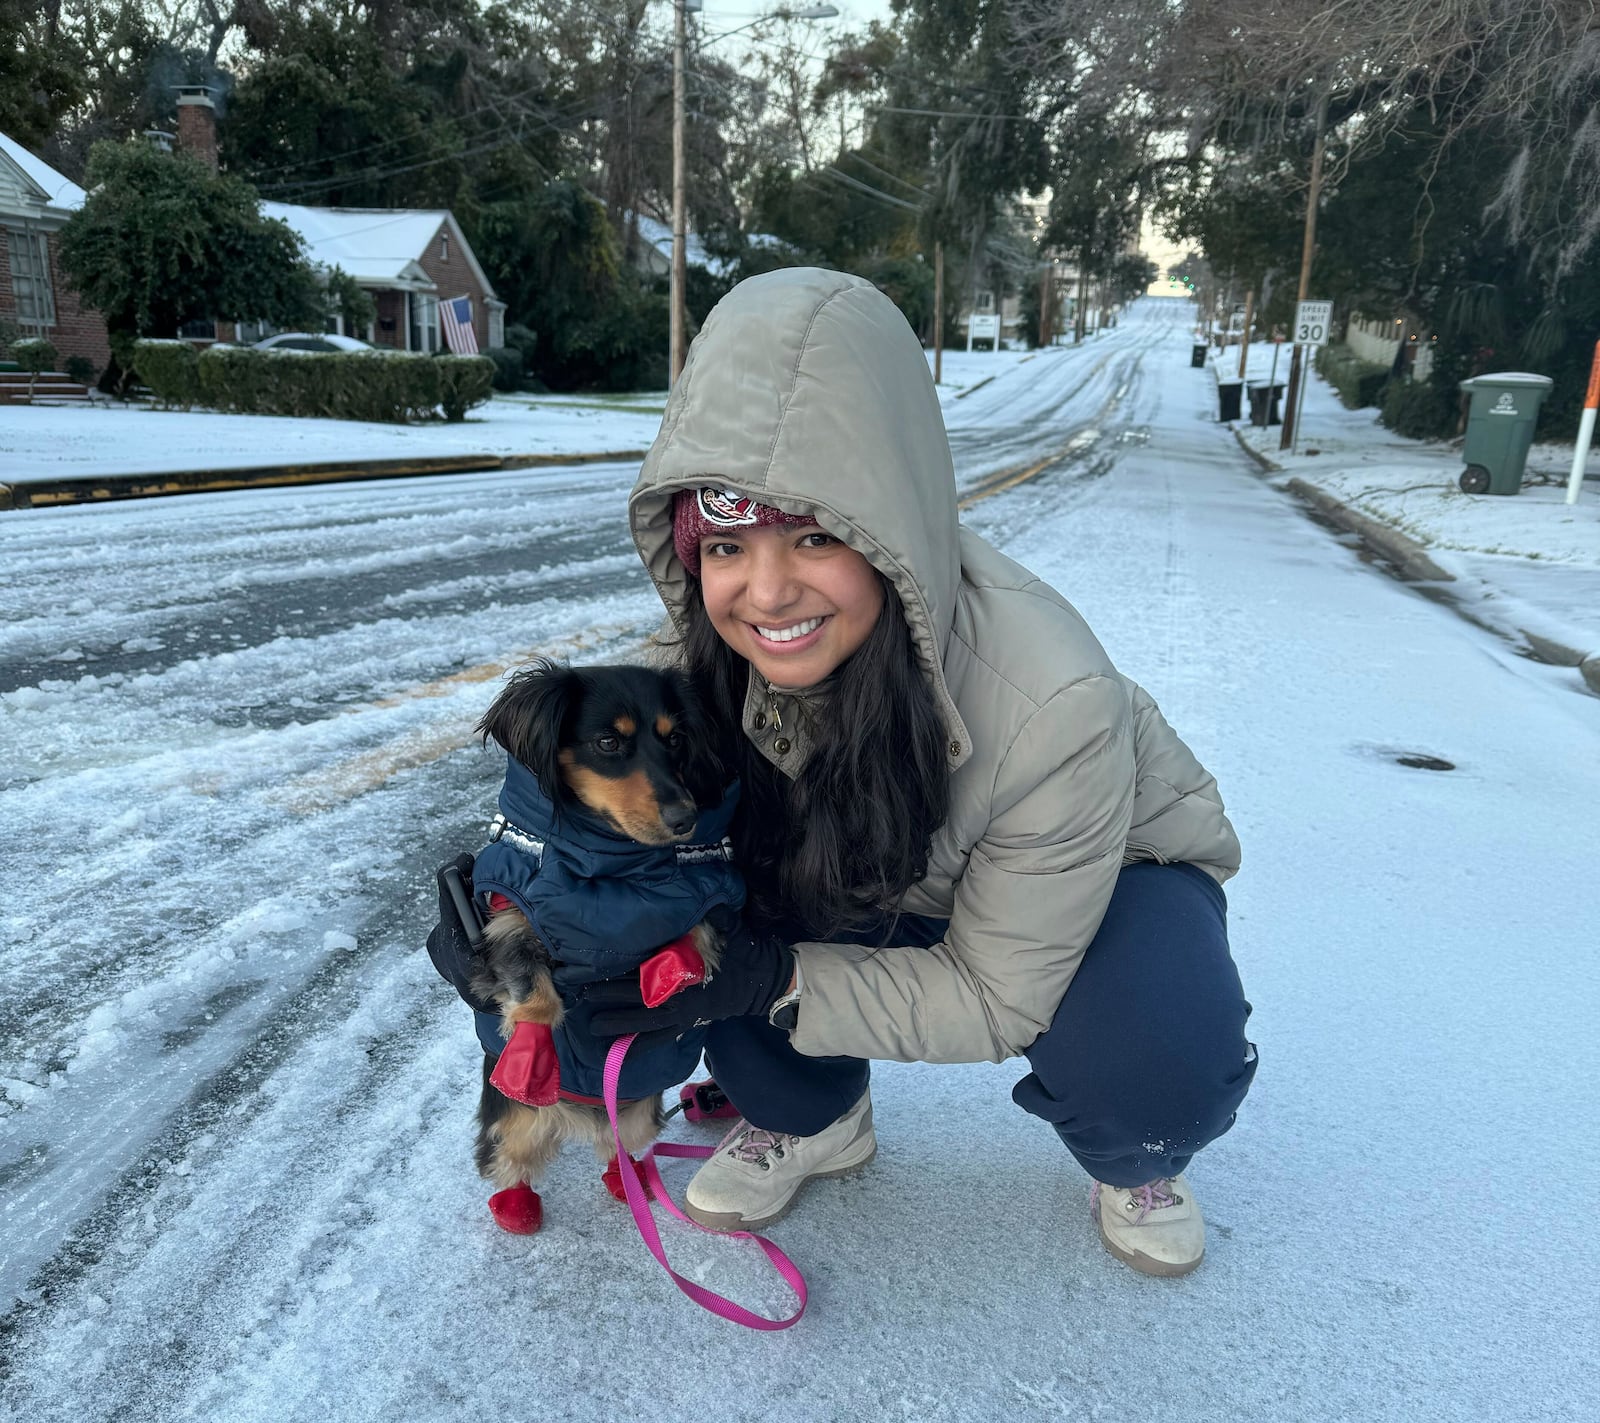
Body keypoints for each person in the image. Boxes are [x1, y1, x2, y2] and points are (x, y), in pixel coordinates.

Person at [431, 267, 1256, 1278]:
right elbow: (590, 818)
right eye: (728, 544)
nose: (767, 592)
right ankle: (812, 1114)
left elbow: (995, 993)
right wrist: (512, 913)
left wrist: (770, 978)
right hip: (874, 875)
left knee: (1149, 1052)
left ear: (888, 532)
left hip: (1096, 881)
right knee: (715, 917)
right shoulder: (699, 668)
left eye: (815, 536)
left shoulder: (1053, 697)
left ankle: (1137, 1155)